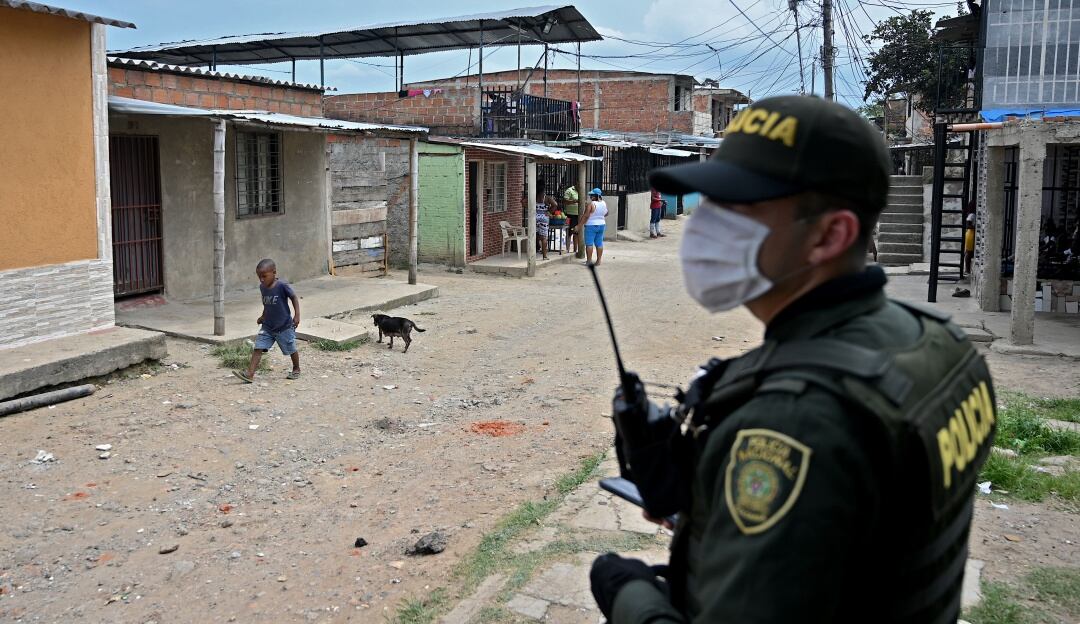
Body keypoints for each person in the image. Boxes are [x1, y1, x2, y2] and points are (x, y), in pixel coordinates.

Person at [589, 95, 997, 623]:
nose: (707, 225)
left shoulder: (795, 421)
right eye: (711, 202)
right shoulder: (940, 342)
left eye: (739, 208)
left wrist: (631, 595)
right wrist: (712, 501)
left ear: (830, 234)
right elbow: (864, 521)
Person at [233, 258, 301, 383]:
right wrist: (263, 316)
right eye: (259, 277)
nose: (261, 279)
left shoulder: (282, 286)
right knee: (258, 347)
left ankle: (296, 368)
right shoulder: (262, 287)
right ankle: (250, 374)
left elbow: (294, 298)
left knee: (290, 348)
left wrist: (297, 315)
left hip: (284, 326)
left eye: (264, 276)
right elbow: (267, 304)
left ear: (274, 272)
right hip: (268, 326)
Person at [580, 188, 609, 265]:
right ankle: (598, 261)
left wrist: (579, 225)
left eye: (592, 195)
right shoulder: (604, 203)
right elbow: (606, 213)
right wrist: (599, 215)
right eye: (590, 195)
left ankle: (589, 261)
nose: (590, 196)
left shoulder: (591, 204)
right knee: (599, 243)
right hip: (602, 225)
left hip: (591, 225)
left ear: (596, 196)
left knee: (589, 244)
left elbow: (586, 216)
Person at [563, 183, 581, 252]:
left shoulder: (581, 191)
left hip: (579, 215)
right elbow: (564, 201)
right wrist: (574, 201)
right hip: (570, 215)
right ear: (577, 183)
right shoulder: (569, 190)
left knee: (576, 233)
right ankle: (567, 249)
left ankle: (575, 250)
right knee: (569, 232)